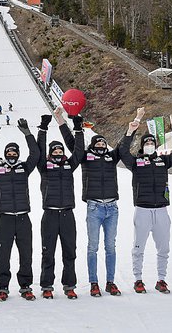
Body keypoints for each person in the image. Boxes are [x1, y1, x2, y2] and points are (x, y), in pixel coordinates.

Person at [119, 108, 172, 294]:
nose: (149, 143)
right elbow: (123, 151)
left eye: (152, 142)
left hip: (161, 211)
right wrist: (131, 129)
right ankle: (138, 279)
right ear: (142, 146)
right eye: (147, 142)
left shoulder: (163, 161)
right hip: (142, 210)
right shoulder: (136, 162)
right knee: (138, 247)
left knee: (164, 248)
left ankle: (161, 279)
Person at [62, 115, 125, 298]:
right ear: (92, 145)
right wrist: (71, 126)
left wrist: (132, 128)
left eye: (103, 143)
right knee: (93, 247)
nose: (100, 145)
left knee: (111, 247)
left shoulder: (111, 158)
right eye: (97, 143)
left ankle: (110, 282)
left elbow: (123, 146)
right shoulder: (85, 157)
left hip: (112, 207)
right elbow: (72, 144)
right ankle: (94, 283)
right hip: (94, 207)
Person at [0, 106, 39, 301]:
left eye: (14, 152)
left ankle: (25, 286)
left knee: (26, 255)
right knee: (3, 254)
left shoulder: (24, 168)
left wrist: (27, 133)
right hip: (5, 218)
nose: (12, 154)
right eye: (9, 152)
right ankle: (3, 287)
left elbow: (35, 155)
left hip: (23, 217)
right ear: (5, 154)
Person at [36, 107, 84, 299]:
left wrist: (78, 128)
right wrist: (43, 128)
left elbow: (79, 152)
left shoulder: (68, 165)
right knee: (48, 252)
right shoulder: (44, 166)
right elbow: (39, 152)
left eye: (59, 149)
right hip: (49, 214)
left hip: (67, 215)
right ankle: (47, 285)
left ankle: (69, 285)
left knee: (69, 251)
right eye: (54, 149)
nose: (57, 151)